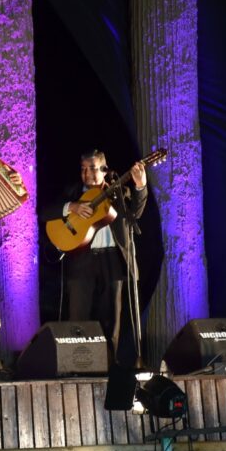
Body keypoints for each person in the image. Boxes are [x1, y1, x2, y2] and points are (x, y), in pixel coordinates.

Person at [53, 149, 147, 363]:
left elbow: (135, 213)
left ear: (105, 170)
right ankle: (77, 366)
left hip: (112, 260)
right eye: (83, 169)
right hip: (82, 261)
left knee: (111, 320)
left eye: (93, 169)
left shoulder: (119, 192)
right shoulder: (72, 192)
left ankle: (110, 368)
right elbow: (46, 212)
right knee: (79, 318)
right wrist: (71, 207)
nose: (86, 174)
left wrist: (140, 186)